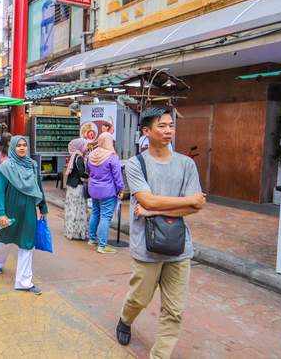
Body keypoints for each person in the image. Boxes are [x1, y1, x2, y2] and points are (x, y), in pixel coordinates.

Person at [116, 108, 205, 358]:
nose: (168, 131)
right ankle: (125, 318)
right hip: (146, 244)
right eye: (161, 126)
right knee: (139, 298)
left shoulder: (186, 164)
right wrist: (182, 202)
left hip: (179, 246)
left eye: (171, 126)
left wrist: (154, 207)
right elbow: (147, 200)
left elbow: (195, 206)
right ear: (146, 131)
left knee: (174, 310)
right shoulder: (136, 164)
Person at [0, 136, 48, 295]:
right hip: (11, 208)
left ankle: (24, 281)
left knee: (27, 243)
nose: (22, 148)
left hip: (29, 209)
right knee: (6, 239)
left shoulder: (32, 166)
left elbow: (38, 187)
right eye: (18, 146)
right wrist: (1, 213)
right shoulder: (6, 167)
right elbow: (0, 191)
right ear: (13, 148)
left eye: (24, 145)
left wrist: (43, 207)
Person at [87, 132, 125, 254]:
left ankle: (92, 239)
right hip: (108, 191)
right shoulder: (112, 157)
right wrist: (121, 189)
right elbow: (118, 176)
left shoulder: (91, 155)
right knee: (105, 217)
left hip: (93, 189)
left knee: (95, 213)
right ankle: (102, 245)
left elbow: (88, 171)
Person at [64, 138, 89, 240]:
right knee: (78, 209)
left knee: (71, 209)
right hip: (77, 187)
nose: (86, 148)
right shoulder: (78, 158)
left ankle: (70, 231)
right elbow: (81, 174)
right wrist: (90, 176)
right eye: (85, 145)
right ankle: (77, 233)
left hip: (71, 186)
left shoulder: (73, 156)